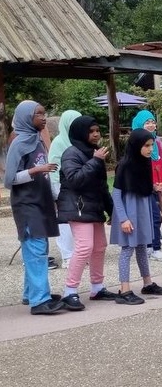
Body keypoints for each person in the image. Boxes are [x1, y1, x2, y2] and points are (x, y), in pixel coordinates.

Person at [3, 100, 65, 315]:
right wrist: (36, 170)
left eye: (44, 113)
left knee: (39, 249)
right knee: (36, 249)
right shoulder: (19, 143)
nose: (43, 117)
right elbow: (9, 179)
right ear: (26, 117)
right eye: (38, 114)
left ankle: (32, 293)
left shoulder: (37, 140)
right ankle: (40, 301)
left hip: (41, 202)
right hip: (27, 205)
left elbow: (47, 174)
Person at [57, 116, 118, 309]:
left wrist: (112, 211)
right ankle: (69, 291)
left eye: (97, 131)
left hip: (94, 207)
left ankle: (97, 287)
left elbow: (101, 186)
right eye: (91, 131)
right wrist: (95, 160)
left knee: (100, 246)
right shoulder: (71, 153)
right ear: (80, 133)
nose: (96, 134)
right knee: (84, 247)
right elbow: (75, 180)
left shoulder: (93, 153)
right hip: (78, 207)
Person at [109, 128, 162, 305]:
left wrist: (154, 188)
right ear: (136, 146)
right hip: (129, 212)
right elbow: (117, 194)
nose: (150, 149)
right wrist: (123, 219)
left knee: (143, 247)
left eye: (151, 145)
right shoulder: (125, 165)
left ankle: (147, 282)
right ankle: (124, 289)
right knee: (127, 249)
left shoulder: (145, 163)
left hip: (142, 211)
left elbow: (143, 186)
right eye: (146, 146)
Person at [131, 110, 162, 259]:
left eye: (153, 122)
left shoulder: (156, 142)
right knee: (148, 216)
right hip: (142, 186)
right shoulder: (135, 143)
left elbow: (160, 164)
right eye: (147, 122)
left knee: (156, 215)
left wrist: (161, 183)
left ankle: (152, 246)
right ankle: (151, 247)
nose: (151, 125)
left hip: (157, 184)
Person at [48, 109, 81, 271]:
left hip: (78, 186)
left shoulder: (80, 141)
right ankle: (67, 255)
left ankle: (78, 253)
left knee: (78, 219)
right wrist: (56, 192)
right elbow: (53, 169)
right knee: (64, 221)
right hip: (61, 187)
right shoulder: (59, 142)